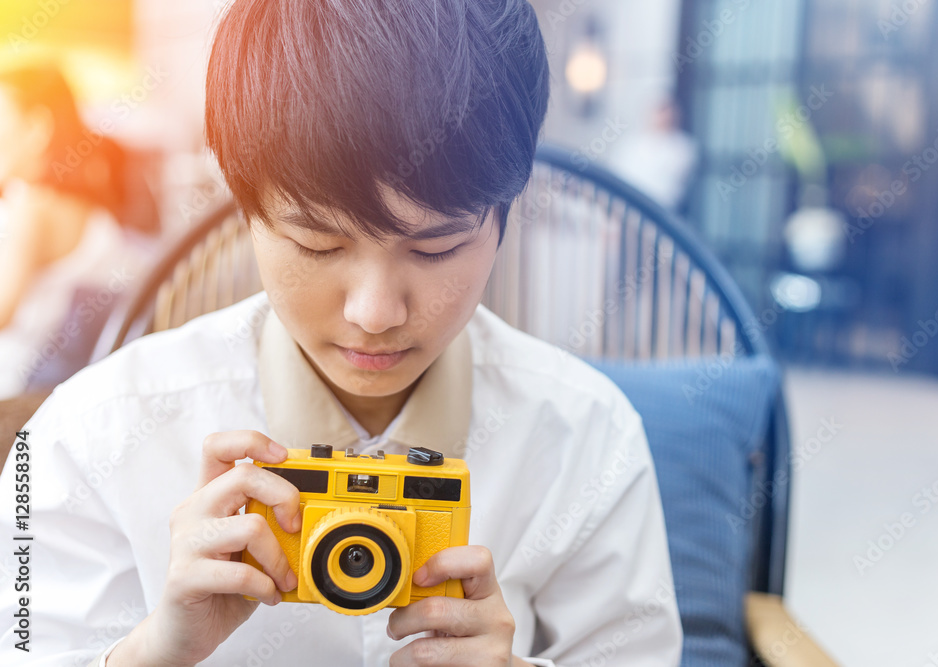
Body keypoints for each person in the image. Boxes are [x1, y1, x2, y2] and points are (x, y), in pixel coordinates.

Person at [0, 1, 682, 666]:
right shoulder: (87, 436)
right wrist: (149, 656)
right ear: (244, 208)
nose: (375, 310)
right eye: (317, 243)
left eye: (436, 247)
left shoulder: (589, 438)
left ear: (505, 216)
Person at [0, 63, 159, 399]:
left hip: (21, 387)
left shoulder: (32, 205)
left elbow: (3, 313)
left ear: (37, 128)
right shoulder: (85, 201)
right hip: (72, 382)